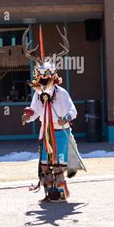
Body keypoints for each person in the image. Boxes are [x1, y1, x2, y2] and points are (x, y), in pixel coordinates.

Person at [21, 25, 84, 202]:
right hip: (45, 134)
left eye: (47, 78)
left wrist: (66, 119)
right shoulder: (38, 94)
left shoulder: (62, 93)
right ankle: (50, 194)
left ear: (53, 77)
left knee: (57, 166)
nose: (44, 81)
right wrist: (28, 116)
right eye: (41, 78)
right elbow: (34, 111)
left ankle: (62, 193)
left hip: (60, 134)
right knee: (44, 165)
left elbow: (73, 110)